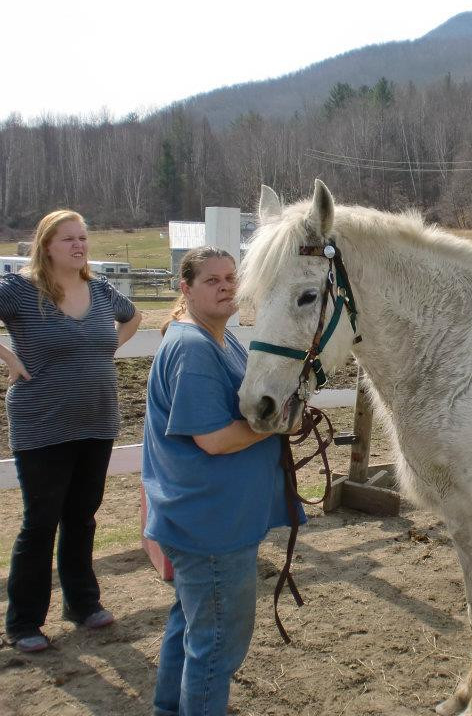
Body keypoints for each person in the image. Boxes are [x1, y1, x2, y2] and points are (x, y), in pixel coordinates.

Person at [142, 246, 303, 716]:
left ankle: (169, 709)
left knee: (192, 626)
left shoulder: (221, 338)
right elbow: (213, 440)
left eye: (231, 277)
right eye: (211, 280)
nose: (226, 286)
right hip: (211, 525)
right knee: (217, 646)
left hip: (203, 518)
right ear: (185, 288)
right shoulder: (193, 348)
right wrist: (279, 424)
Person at [0, 210, 142, 653]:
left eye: (83, 238)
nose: (79, 246)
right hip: (43, 423)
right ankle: (24, 622)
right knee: (40, 523)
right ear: (46, 246)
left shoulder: (101, 292)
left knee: (82, 516)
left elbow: (133, 317)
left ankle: (83, 603)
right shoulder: (19, 292)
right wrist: (7, 357)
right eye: (68, 240)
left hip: (96, 420)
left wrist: (105, 350)